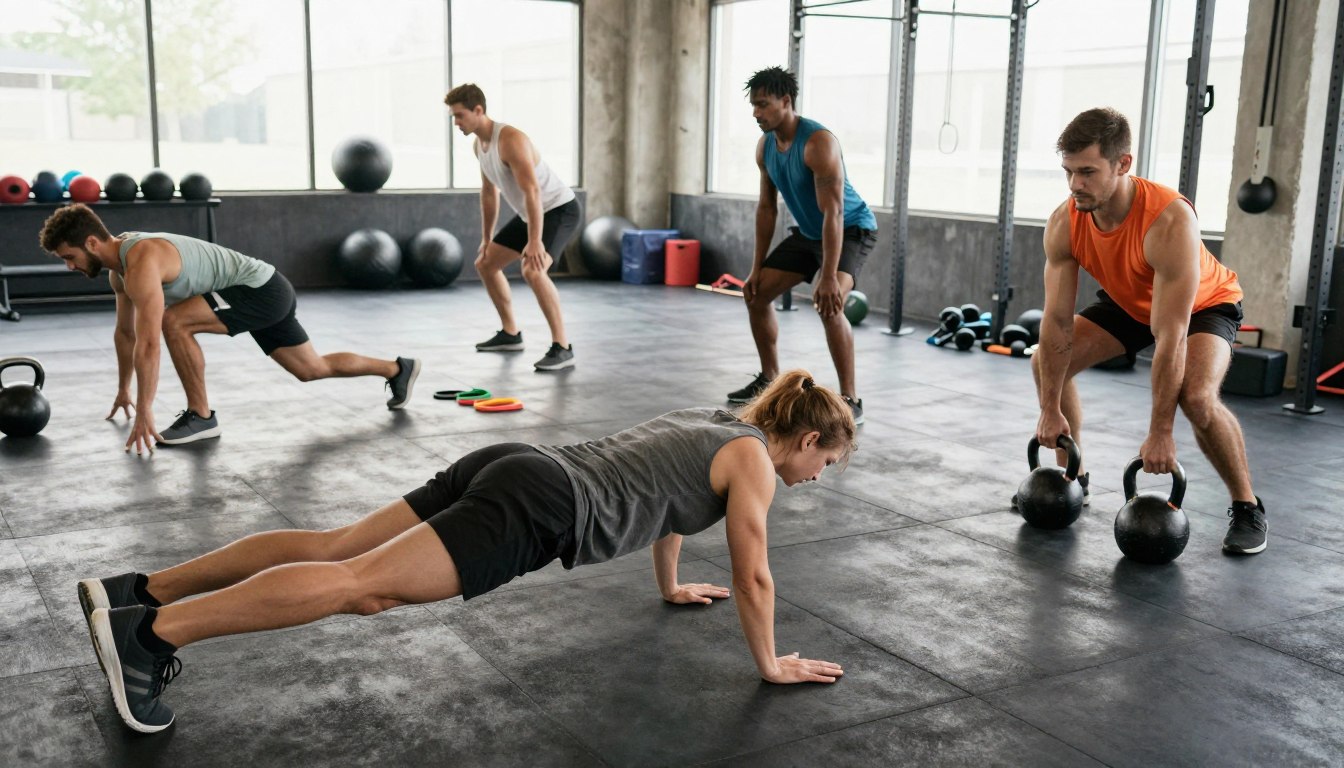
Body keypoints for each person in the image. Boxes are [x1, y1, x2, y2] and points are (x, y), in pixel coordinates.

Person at [78, 370, 855, 732]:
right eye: (824, 464)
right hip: (542, 506)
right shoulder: (757, 461)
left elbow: (670, 502)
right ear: (810, 438)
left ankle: (139, 590)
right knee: (363, 585)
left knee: (337, 544)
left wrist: (671, 585)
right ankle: (148, 636)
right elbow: (754, 572)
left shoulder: (719, 420)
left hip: (520, 462)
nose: (816, 478)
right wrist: (770, 663)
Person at [1031, 107, 1265, 554]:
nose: (1075, 184)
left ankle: (1248, 505)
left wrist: (1161, 431)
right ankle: (1071, 480)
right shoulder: (1066, 221)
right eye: (1068, 172)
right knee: (1045, 361)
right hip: (1129, 301)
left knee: (1196, 397)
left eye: (1087, 172)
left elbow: (1172, 335)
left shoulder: (1169, 219)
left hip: (1203, 307)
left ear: (1123, 164)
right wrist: (1048, 409)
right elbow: (1057, 321)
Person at [39, 204, 420, 452]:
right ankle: (397, 368)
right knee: (311, 369)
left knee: (174, 322)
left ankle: (201, 416)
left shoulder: (141, 260)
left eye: (69, 257)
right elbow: (126, 335)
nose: (69, 266)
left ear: (91, 241)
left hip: (255, 290)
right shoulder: (119, 272)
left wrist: (146, 411)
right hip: (263, 290)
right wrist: (125, 389)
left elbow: (151, 341)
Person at [727, 67, 878, 426]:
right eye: (753, 106)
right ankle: (769, 379)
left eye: (763, 105)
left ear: (786, 101)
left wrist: (827, 276)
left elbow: (835, 212)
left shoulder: (818, 143)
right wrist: (756, 267)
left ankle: (849, 398)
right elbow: (766, 208)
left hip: (851, 228)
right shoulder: (766, 147)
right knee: (757, 293)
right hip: (809, 232)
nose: (756, 113)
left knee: (829, 304)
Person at [445, 83, 582, 371]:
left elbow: (532, 191)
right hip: (529, 214)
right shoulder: (479, 145)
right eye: (453, 117)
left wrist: (535, 242)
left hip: (557, 209)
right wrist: (486, 238)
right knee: (486, 264)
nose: (456, 123)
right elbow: (489, 193)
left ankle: (563, 346)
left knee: (533, 269)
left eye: (459, 116)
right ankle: (510, 334)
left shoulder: (511, 139)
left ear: (478, 110)